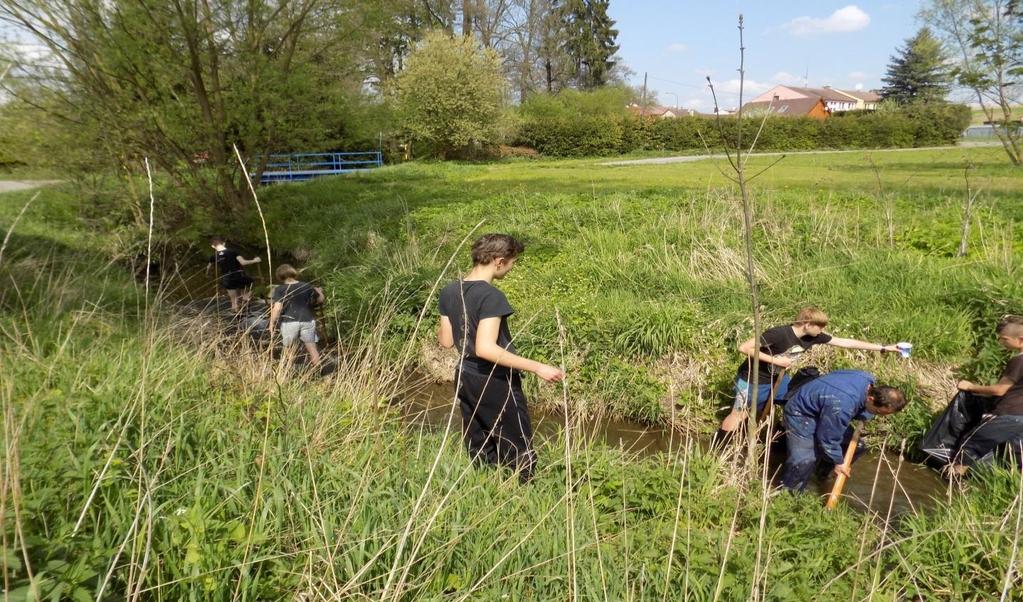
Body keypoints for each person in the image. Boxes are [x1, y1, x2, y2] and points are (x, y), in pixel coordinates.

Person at [437, 233, 564, 483]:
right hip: (493, 379)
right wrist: (538, 367)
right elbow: (486, 348)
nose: (511, 267)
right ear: (498, 261)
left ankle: (486, 488)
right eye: (511, 262)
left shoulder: (449, 291)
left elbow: (446, 341)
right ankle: (525, 494)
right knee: (517, 446)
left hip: (464, 374)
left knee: (479, 442)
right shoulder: (491, 297)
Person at [714, 307, 901, 447]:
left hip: (779, 380)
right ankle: (721, 448)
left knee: (793, 401)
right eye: (819, 327)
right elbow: (744, 348)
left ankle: (778, 439)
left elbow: (845, 343)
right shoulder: (779, 334)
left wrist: (884, 347)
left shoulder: (812, 337)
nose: (821, 331)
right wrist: (776, 361)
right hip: (752, 380)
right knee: (738, 414)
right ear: (807, 324)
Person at [781, 370, 907, 491]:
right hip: (801, 412)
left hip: (827, 408)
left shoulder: (867, 379)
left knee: (858, 446)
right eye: (877, 412)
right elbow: (828, 438)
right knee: (804, 460)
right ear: (871, 399)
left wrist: (865, 414)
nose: (877, 416)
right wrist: (839, 461)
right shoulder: (843, 404)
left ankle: (822, 474)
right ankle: (789, 495)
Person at [948, 316, 1023, 475]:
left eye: (1004, 339)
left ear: (1020, 340)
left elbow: (1000, 390)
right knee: (1016, 457)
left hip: (1008, 414)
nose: (1001, 342)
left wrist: (970, 386)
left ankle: (948, 487)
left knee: (968, 447)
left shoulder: (1019, 360)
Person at [269, 264, 325, 368]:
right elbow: (320, 300)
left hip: (289, 321)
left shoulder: (280, 289)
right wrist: (319, 292)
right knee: (312, 348)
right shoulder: (306, 286)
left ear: (279, 276)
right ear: (293, 272)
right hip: (307, 320)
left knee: (289, 348)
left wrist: (272, 322)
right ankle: (318, 369)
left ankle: (287, 372)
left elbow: (277, 308)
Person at [207, 236, 261, 312]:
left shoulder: (213, 256)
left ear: (212, 246)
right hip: (239, 276)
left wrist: (208, 274)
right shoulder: (233, 252)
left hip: (227, 278)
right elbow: (243, 262)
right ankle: (246, 310)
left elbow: (208, 267)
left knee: (234, 300)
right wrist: (255, 260)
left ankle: (237, 317)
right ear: (224, 243)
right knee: (246, 293)